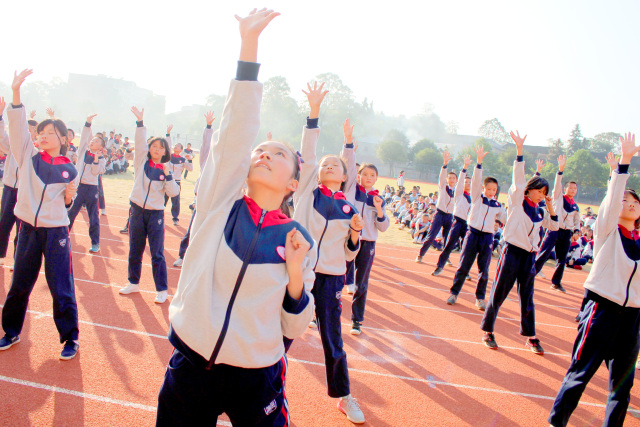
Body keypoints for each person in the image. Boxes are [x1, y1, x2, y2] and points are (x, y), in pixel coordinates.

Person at [158, 10, 316, 426]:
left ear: (292, 185)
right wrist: (249, 49)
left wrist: (296, 274)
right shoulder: (218, 207)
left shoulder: (299, 239)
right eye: (261, 151)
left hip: (256, 375)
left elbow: (295, 325)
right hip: (191, 365)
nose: (264, 154)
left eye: (279, 154)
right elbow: (235, 135)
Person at [548, 132, 640, 427]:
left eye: (635, 201)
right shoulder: (606, 232)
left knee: (621, 389)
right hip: (601, 312)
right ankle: (556, 422)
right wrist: (623, 166)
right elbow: (612, 203)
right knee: (580, 375)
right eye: (625, 198)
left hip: (632, 320)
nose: (629, 203)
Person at [294, 92, 366, 424]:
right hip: (299, 269)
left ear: (342, 175)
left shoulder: (348, 208)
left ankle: (344, 396)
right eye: (325, 164)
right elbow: (308, 154)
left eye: (335, 165)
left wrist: (354, 233)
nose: (328, 166)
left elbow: (351, 253)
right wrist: (313, 114)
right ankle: (249, 386)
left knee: (332, 337)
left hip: (332, 277)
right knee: (275, 328)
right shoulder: (307, 192)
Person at [0, 69, 80, 360]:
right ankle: (11, 331)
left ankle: (70, 338)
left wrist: (70, 197)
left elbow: (67, 204)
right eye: (41, 132)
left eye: (50, 133)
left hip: (56, 232)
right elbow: (18, 126)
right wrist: (16, 94)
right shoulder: (28, 155)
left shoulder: (69, 168)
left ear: (63, 139)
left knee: (61, 286)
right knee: (20, 283)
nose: (43, 136)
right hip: (28, 231)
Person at [480, 130, 558, 354]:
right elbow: (519, 178)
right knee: (500, 291)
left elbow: (553, 226)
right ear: (529, 190)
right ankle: (488, 331)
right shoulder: (516, 202)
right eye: (540, 191)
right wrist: (520, 152)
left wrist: (551, 207)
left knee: (527, 296)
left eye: (545, 192)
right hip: (512, 252)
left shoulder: (540, 211)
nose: (542, 195)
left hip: (529, 257)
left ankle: (531, 336)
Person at [118, 108, 179, 304]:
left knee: (157, 253)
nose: (157, 150)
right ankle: (133, 282)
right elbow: (139, 142)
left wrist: (168, 173)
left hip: (155, 215)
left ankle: (161, 289)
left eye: (161, 148)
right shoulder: (141, 162)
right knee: (135, 249)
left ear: (165, 151)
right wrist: (140, 123)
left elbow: (174, 192)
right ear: (149, 147)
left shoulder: (166, 168)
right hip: (136, 210)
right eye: (154, 146)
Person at [341, 119, 389, 339]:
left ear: (377, 179)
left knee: (362, 282)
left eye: (372, 175)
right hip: (345, 238)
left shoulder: (378, 199)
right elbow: (348, 163)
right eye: (364, 174)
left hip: (367, 243)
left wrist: (379, 211)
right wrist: (348, 142)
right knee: (334, 276)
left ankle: (357, 320)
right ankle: (319, 314)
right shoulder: (351, 189)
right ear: (358, 176)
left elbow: (384, 226)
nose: (368, 178)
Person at [443, 145, 506, 310]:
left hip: (487, 237)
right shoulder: (477, 197)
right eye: (489, 189)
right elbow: (477, 180)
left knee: (484, 270)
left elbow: (504, 218)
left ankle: (480, 298)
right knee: (464, 266)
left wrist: (499, 223)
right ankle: (454, 293)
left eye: (495, 190)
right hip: (472, 234)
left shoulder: (498, 206)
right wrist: (479, 163)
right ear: (483, 189)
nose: (492, 192)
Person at [173, 111, 215, 268]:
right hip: (201, 201)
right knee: (191, 230)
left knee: (211, 234)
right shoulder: (206, 160)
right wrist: (209, 126)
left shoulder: (226, 166)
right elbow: (206, 144)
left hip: (216, 203)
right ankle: (183, 256)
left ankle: (205, 262)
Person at [534, 155, 579, 293]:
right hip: (554, 229)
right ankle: (530, 274)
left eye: (575, 189)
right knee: (544, 253)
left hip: (566, 233)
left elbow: (576, 221)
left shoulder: (575, 206)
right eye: (570, 188)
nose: (572, 190)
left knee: (562, 258)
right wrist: (561, 169)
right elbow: (557, 183)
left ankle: (556, 283)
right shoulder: (559, 197)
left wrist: (576, 231)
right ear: (565, 189)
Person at [66, 114, 106, 253]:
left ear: (101, 147)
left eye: (96, 141)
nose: (92, 141)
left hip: (92, 189)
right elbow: (84, 136)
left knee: (93, 217)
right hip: (79, 187)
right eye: (92, 140)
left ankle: (95, 243)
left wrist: (96, 159)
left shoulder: (101, 158)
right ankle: (64, 237)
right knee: (71, 213)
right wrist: (88, 123)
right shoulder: (83, 150)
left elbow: (96, 172)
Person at [432, 154, 472, 274]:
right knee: (449, 245)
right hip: (457, 222)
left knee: (467, 249)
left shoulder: (474, 197)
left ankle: (464, 271)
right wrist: (464, 167)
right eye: (466, 182)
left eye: (470, 182)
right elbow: (460, 181)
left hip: (467, 225)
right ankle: (440, 266)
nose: (468, 184)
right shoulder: (459, 193)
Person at [416, 151, 456, 263]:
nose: (452, 180)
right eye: (450, 178)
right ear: (447, 179)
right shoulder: (443, 187)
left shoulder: (457, 191)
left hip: (449, 217)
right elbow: (442, 177)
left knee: (447, 239)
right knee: (431, 236)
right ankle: (420, 254)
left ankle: (446, 257)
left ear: (456, 180)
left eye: (454, 178)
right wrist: (445, 164)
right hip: (439, 214)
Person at [0, 97, 21, 268]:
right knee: (4, 223)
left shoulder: (33, 149)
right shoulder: (12, 145)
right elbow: (2, 137)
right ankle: (0, 253)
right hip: (8, 188)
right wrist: (0, 116)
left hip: (24, 192)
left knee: (22, 229)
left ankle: (18, 259)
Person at [164, 139, 193, 226]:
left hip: (176, 181)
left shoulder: (182, 159)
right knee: (163, 199)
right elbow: (167, 146)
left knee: (176, 200)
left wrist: (190, 160)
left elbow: (190, 169)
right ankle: (159, 214)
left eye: (177, 146)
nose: (175, 147)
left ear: (180, 150)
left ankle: (175, 218)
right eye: (175, 145)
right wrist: (168, 134)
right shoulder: (168, 156)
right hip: (167, 179)